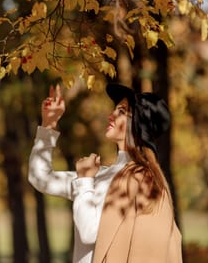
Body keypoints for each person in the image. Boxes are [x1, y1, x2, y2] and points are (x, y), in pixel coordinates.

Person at [28, 83, 183, 263]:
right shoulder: (101, 174)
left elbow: (89, 232)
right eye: (115, 110)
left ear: (138, 125)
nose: (112, 115)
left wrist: (85, 181)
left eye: (122, 112)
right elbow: (40, 178)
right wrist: (48, 125)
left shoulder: (140, 181)